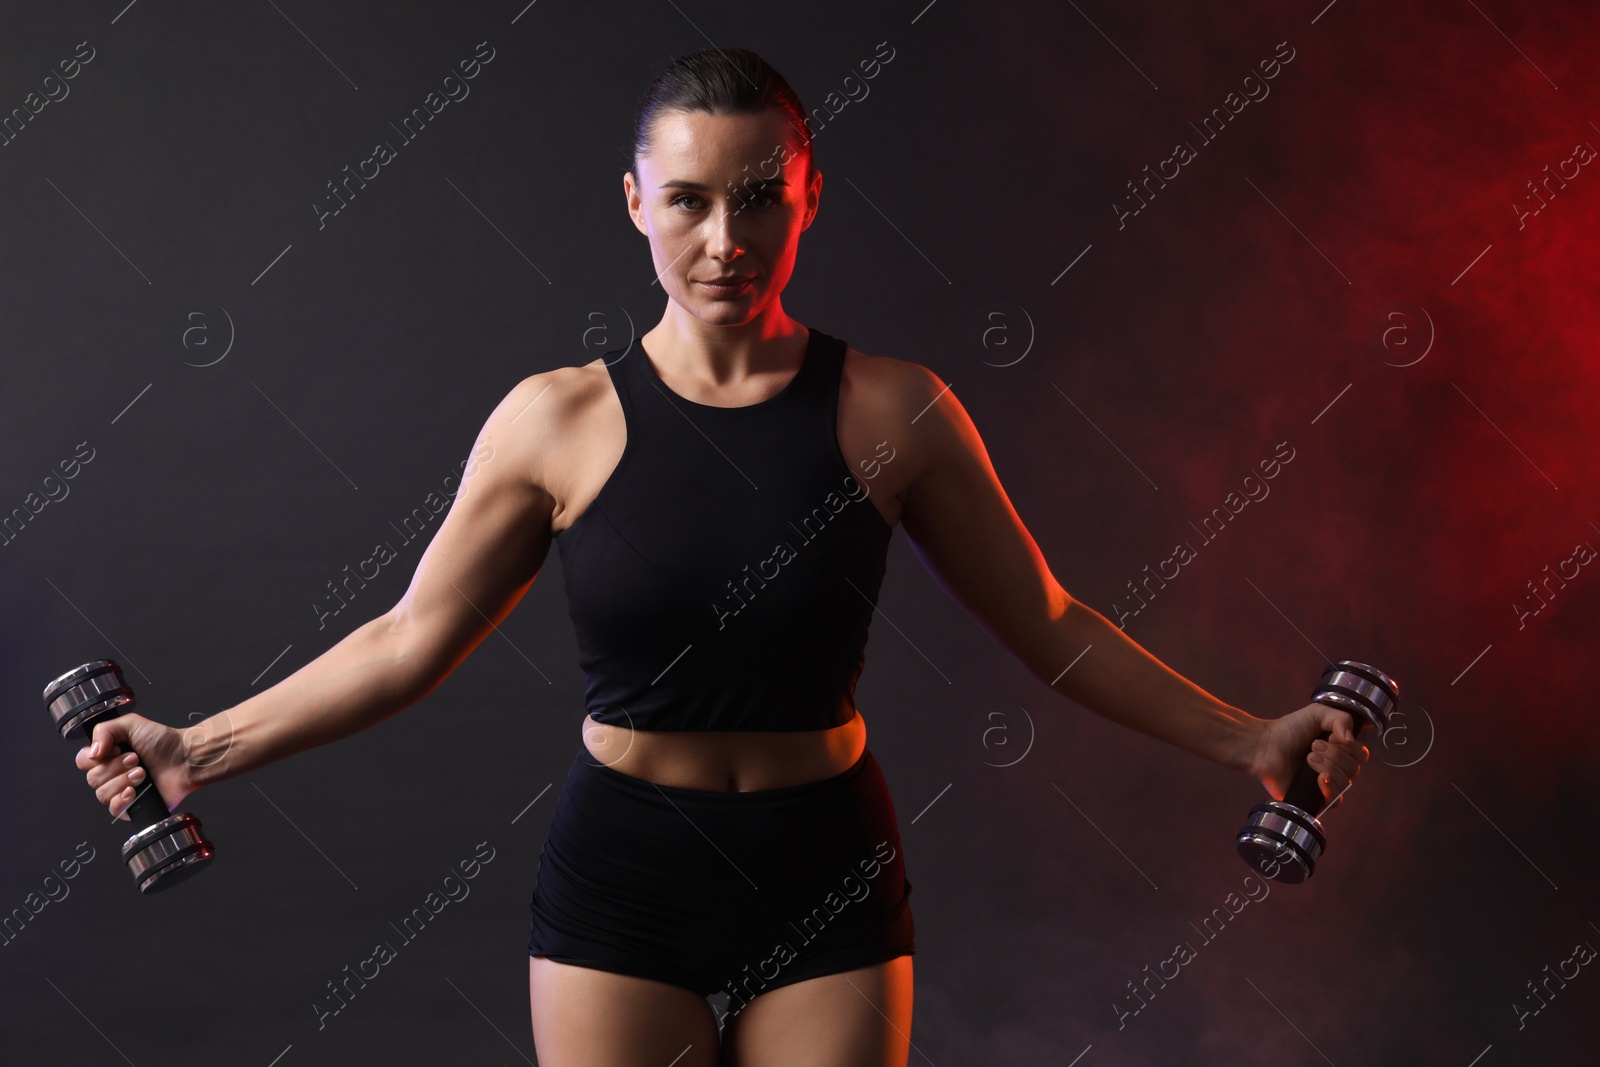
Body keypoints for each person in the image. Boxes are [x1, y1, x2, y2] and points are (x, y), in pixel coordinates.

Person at [73, 46, 1370, 1067]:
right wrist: (197, 749)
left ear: (807, 198)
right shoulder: (556, 421)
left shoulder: (892, 412)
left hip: (827, 865)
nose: (723, 240)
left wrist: (1249, 739)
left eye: (759, 200)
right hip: (626, 874)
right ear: (636, 202)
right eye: (687, 201)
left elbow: (1050, 621)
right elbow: (409, 641)